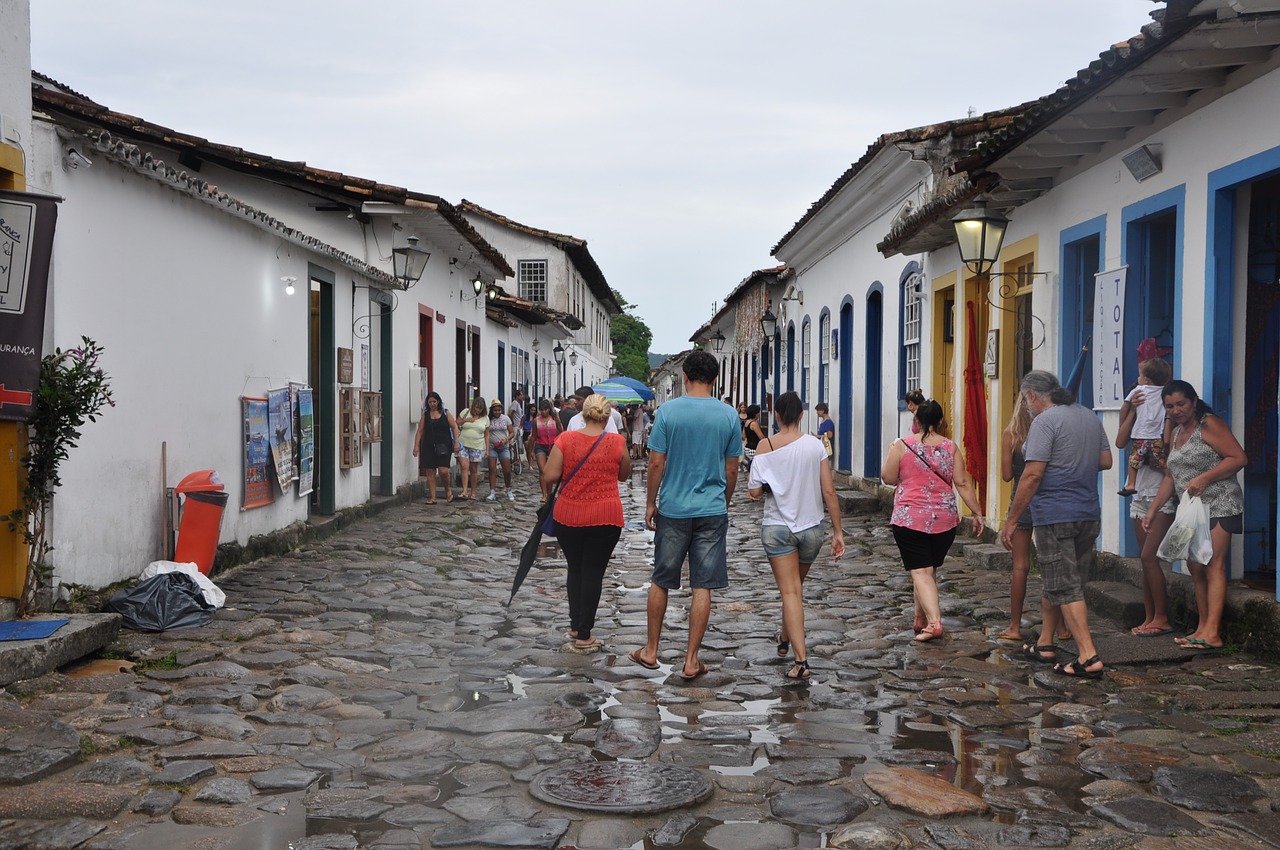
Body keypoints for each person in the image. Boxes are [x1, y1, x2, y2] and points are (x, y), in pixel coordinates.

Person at [628, 351, 742, 680]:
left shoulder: (668, 412)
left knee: (662, 580)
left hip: (674, 508)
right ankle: (691, 659)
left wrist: (651, 503)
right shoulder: (729, 416)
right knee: (702, 585)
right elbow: (732, 469)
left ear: (686, 379)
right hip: (711, 509)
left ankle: (651, 650)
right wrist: (725, 500)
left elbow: (655, 462)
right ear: (715, 380)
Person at [1000, 370, 1112, 678]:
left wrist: (1011, 522)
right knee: (1059, 578)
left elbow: (1032, 475)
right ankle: (1046, 642)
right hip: (1088, 512)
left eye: (1025, 400)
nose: (1025, 406)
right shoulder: (1089, 416)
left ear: (1033, 396)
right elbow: (1105, 461)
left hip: (1055, 513)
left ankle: (1088, 657)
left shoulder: (1044, 422)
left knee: (1064, 583)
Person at [748, 391, 846, 681]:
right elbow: (829, 491)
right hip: (811, 528)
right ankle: (784, 636)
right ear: (802, 415)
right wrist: (838, 532)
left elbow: (753, 492)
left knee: (790, 591)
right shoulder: (815, 446)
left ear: (776, 415)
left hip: (778, 528)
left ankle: (801, 662)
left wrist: (769, 487)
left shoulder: (765, 446)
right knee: (794, 588)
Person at [1143, 380, 1246, 650]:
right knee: (1195, 566)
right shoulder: (1176, 432)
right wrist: (1153, 510)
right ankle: (1201, 628)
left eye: (1181, 404)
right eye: (1170, 406)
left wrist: (1205, 478)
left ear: (1194, 401)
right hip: (1192, 510)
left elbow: (1238, 458)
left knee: (1212, 564)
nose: (1176, 410)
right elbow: (1170, 476)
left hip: (1221, 502)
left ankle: (1213, 632)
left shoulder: (1209, 424)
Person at [882, 399, 985, 642]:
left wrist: (891, 454)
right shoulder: (951, 447)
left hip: (910, 518)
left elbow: (887, 477)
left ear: (916, 421)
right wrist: (977, 512)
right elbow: (962, 483)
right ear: (939, 421)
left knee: (920, 571)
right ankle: (920, 618)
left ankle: (934, 623)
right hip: (944, 520)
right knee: (928, 569)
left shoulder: (901, 445)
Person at [542, 394, 631, 649]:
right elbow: (624, 476)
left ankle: (575, 625)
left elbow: (549, 475)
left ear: (583, 413)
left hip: (568, 515)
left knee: (575, 568)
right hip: (605, 517)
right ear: (606, 416)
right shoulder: (617, 442)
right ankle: (584, 635)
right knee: (593, 572)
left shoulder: (566, 439)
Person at [994, 394, 1069, 643]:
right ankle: (1062, 628)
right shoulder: (1050, 429)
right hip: (1048, 499)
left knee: (1020, 566)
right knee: (1052, 564)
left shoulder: (1010, 434)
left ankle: (1014, 626)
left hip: (1021, 499)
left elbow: (1006, 475)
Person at [1117, 372, 1176, 636]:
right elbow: (1120, 441)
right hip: (1139, 495)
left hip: (1160, 496)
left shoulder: (1166, 417)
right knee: (1145, 562)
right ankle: (1149, 617)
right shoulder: (1137, 423)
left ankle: (1161, 617)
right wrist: (1131, 409)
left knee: (1148, 557)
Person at [1118, 357, 1172, 496]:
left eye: (1140, 375)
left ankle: (1131, 484)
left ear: (1146, 379)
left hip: (1141, 433)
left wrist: (1129, 410)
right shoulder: (1166, 392)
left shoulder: (1139, 390)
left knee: (1134, 460)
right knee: (1163, 461)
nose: (1138, 378)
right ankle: (1173, 481)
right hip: (1157, 434)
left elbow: (1124, 407)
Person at [411, 391, 460, 504]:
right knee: (430, 471)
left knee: (443, 471)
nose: (432, 404)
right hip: (428, 446)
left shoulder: (445, 413)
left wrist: (456, 443)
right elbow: (420, 431)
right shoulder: (426, 416)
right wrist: (416, 446)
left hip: (444, 446)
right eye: (430, 402)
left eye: (434, 401)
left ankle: (447, 490)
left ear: (438, 402)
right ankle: (433, 497)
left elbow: (455, 427)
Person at [455, 397, 490, 501]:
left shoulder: (485, 419)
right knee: (464, 466)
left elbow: (487, 435)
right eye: (476, 407)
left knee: (474, 469)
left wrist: (487, 449)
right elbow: (456, 423)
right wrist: (467, 420)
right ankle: (465, 490)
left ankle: (473, 492)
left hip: (477, 446)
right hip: (463, 444)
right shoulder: (466, 412)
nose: (477, 410)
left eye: (480, 408)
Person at [529, 398, 563, 502]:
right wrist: (530, 451)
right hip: (540, 446)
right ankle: (544, 494)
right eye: (542, 410)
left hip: (553, 446)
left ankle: (549, 494)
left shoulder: (554, 419)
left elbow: (561, 432)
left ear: (549, 409)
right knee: (542, 470)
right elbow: (533, 436)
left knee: (549, 472)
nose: (543, 412)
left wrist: (557, 419)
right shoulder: (536, 421)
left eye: (545, 409)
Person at [486, 400, 515, 501]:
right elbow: (486, 433)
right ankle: (492, 491)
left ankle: (508, 489)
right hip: (492, 447)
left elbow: (512, 432)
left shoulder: (506, 419)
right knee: (492, 469)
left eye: (499, 410)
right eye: (495, 410)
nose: (497, 412)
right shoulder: (488, 419)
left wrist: (506, 439)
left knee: (507, 470)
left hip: (504, 447)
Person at [742, 404, 765, 470]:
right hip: (754, 448)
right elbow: (761, 437)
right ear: (755, 413)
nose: (759, 415)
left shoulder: (746, 423)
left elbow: (743, 436)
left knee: (749, 468)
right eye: (758, 413)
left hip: (747, 448)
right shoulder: (754, 424)